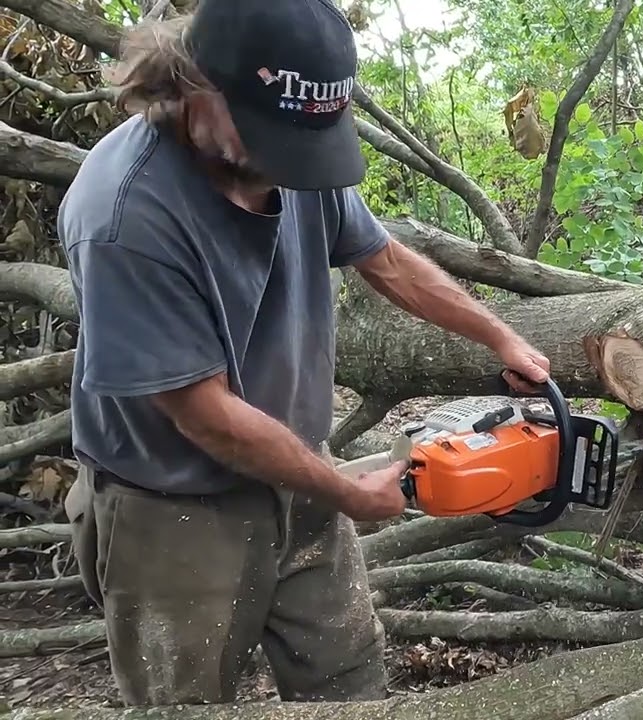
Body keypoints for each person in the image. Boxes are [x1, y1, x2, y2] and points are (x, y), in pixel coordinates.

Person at [58, 0, 550, 707]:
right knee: (188, 705)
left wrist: (498, 334)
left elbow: (384, 259)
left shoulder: (293, 155)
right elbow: (204, 416)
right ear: (201, 86)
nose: (287, 163)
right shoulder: (125, 213)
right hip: (171, 509)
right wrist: (350, 491)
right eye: (272, 137)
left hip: (300, 472)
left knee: (349, 682)